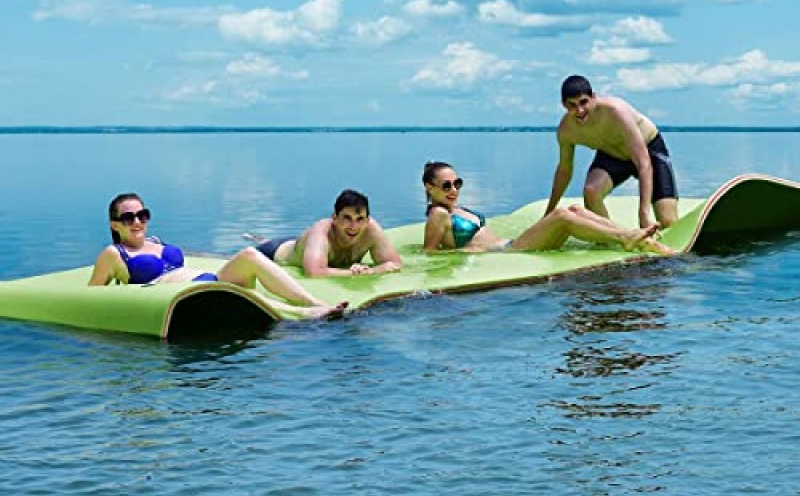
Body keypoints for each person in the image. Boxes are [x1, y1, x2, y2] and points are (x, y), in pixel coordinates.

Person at [89, 193, 347, 320]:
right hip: (185, 296)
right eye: (128, 217)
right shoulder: (114, 254)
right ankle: (305, 314)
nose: (137, 222)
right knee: (250, 294)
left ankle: (312, 301)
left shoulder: (155, 242)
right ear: (114, 225)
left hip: (208, 280)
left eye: (142, 215)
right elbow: (90, 296)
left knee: (249, 254)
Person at [422, 162, 675, 255]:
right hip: (508, 252)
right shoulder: (438, 214)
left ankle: (635, 238)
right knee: (562, 216)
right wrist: (468, 253)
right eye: (446, 185)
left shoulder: (455, 208)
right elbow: (430, 254)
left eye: (457, 183)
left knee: (575, 208)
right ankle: (626, 238)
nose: (454, 190)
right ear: (429, 188)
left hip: (510, 243)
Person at [546, 75, 679, 229]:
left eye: (583, 102)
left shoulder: (616, 112)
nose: (580, 110)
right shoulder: (566, 130)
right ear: (564, 105)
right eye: (572, 105)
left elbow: (643, 162)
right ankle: (613, 236)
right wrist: (549, 212)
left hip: (649, 151)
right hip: (612, 155)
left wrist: (643, 214)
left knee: (668, 222)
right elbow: (564, 170)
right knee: (591, 191)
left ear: (593, 98)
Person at [252, 189, 402, 277]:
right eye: (347, 218)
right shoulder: (321, 232)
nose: (353, 226)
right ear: (335, 218)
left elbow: (394, 264)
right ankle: (259, 241)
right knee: (247, 255)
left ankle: (260, 238)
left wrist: (370, 271)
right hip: (275, 253)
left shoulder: (371, 230)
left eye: (359, 219)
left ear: (367, 220)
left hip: (307, 247)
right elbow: (314, 272)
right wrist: (360, 273)